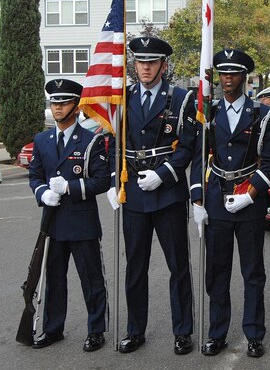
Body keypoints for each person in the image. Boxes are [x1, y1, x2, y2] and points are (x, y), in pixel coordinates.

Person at [190, 49, 270, 358]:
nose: (227, 78)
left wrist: (251, 194)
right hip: (216, 197)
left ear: (244, 77)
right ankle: (217, 333)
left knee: (253, 271)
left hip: (248, 198)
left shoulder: (263, 114)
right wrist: (197, 198)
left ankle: (254, 334)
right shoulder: (208, 111)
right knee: (217, 272)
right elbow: (199, 155)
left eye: (234, 73)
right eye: (223, 73)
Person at [117, 37, 198, 355]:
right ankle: (135, 330)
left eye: (152, 62)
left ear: (164, 65)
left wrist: (163, 174)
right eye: (140, 62)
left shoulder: (181, 99)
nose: (146, 67)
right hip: (134, 191)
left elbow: (189, 145)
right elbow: (116, 143)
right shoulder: (122, 98)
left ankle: (183, 331)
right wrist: (115, 180)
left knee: (178, 265)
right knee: (135, 266)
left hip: (167, 194)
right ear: (134, 65)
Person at [28, 79, 110, 352]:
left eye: (63, 103)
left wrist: (70, 188)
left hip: (82, 221)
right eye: (54, 103)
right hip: (53, 221)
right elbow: (35, 175)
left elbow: (102, 181)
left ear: (76, 106)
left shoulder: (91, 140)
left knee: (91, 279)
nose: (57, 108)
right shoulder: (42, 139)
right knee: (54, 278)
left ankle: (96, 330)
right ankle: (53, 329)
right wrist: (41, 193)